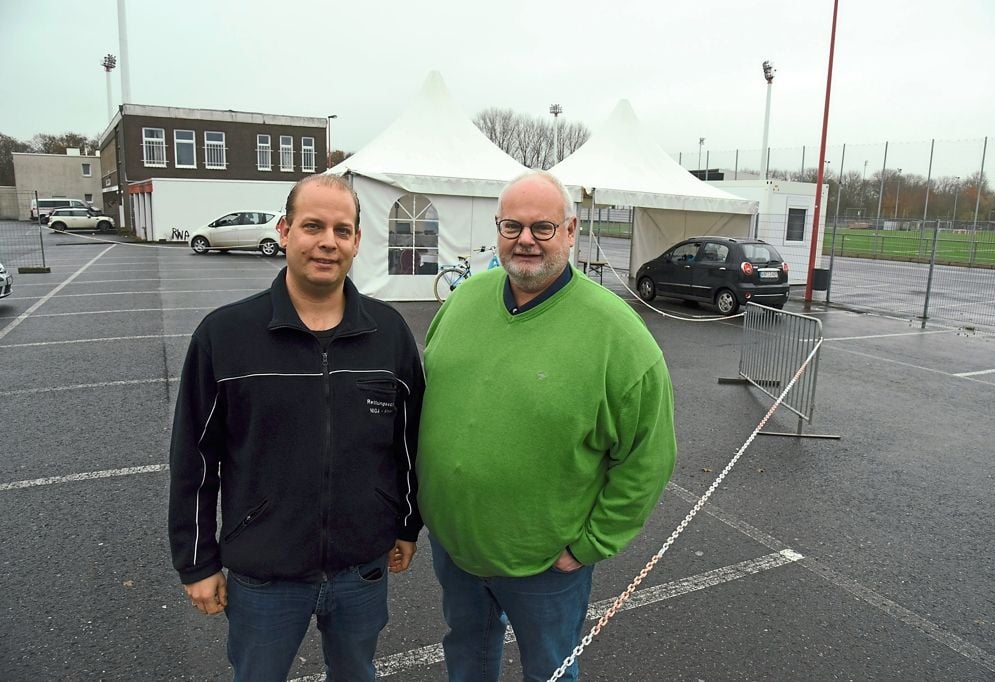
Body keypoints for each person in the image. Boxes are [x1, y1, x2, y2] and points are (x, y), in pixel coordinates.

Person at [417, 170, 677, 681]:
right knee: (467, 655)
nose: (526, 240)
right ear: (497, 229)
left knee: (549, 671)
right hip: (457, 549)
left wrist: (590, 546)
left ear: (571, 230)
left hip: (546, 564)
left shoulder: (618, 335)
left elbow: (649, 457)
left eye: (543, 227)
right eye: (512, 226)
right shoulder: (465, 301)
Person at [168, 174, 424, 682]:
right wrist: (197, 561)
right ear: (284, 231)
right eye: (312, 226)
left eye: (342, 229)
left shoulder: (388, 333)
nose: (327, 241)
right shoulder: (226, 334)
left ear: (356, 241)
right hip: (264, 574)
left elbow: (409, 444)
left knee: (356, 672)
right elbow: (195, 456)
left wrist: (406, 524)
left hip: (362, 569)